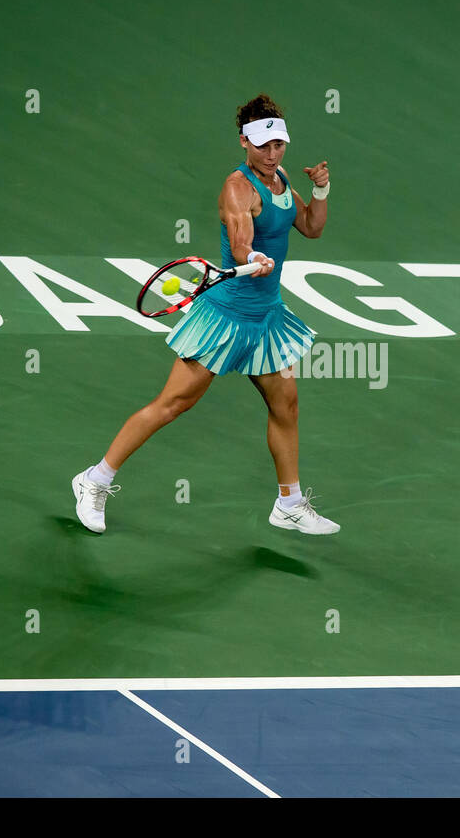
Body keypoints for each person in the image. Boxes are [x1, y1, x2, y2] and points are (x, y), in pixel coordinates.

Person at [71, 94, 340, 536]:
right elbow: (239, 242)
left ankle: (289, 503)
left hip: (266, 318)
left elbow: (311, 227)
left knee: (285, 405)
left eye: (279, 145)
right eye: (263, 146)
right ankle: (94, 480)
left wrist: (321, 190)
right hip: (225, 318)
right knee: (173, 404)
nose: (272, 154)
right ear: (244, 142)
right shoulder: (237, 187)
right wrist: (253, 255)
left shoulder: (281, 178)